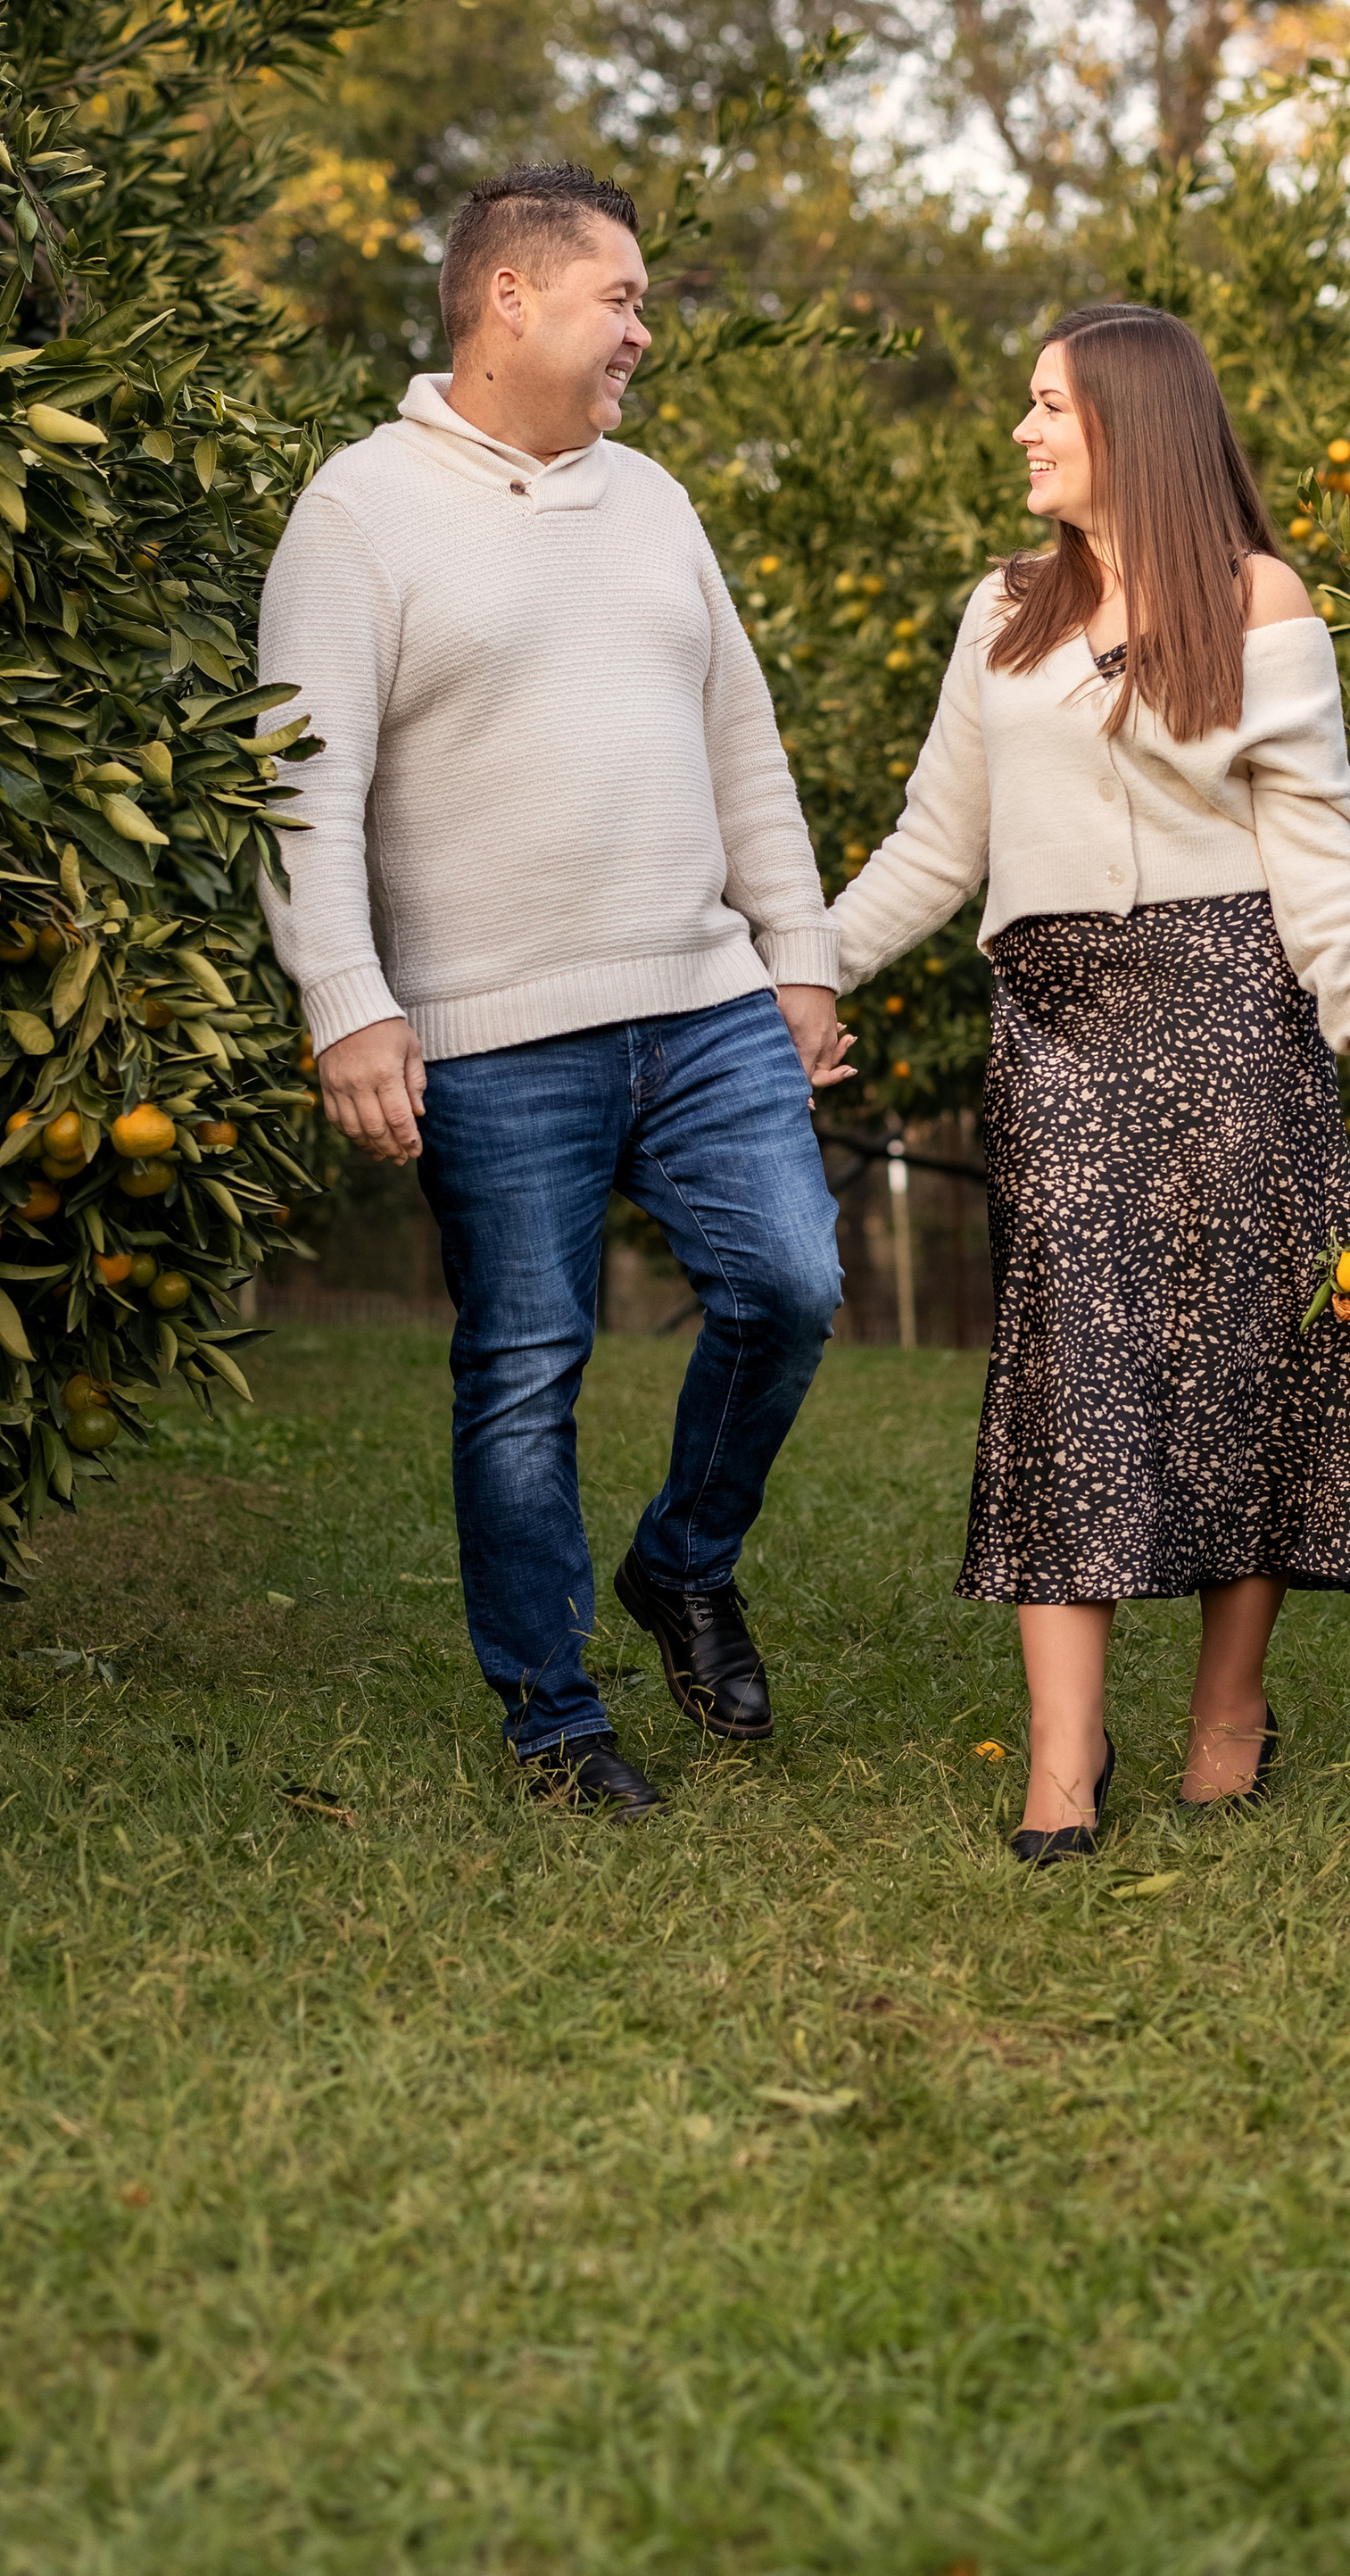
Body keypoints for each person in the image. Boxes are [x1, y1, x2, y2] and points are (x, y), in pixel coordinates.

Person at [255, 161, 853, 1820]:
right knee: (526, 1366)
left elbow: (746, 742)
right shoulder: (360, 508)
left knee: (791, 1285)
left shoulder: (654, 500)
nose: (642, 334)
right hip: (491, 1024)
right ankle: (554, 1718)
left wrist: (795, 955)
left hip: (702, 992)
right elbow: (299, 784)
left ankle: (681, 1564)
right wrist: (345, 999)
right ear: (510, 298)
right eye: (623, 298)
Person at [832, 303, 1350, 1865]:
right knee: (1068, 1373)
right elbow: (934, 844)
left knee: (1256, 1364)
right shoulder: (1003, 614)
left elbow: (1320, 852)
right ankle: (1062, 1758)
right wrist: (808, 971)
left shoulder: (1259, 601)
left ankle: (1229, 1719)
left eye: (1049, 405)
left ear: (1131, 422)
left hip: (1238, 1010)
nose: (1024, 431)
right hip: (1057, 1031)